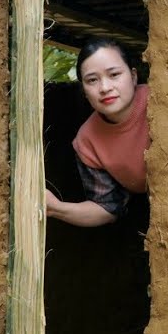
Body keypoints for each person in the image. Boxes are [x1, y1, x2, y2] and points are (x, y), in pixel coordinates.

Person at [45, 37, 148, 227]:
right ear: (84, 90)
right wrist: (56, 207)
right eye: (92, 80)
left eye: (114, 74)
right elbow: (108, 208)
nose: (105, 88)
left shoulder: (159, 103)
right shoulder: (87, 140)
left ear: (133, 76)